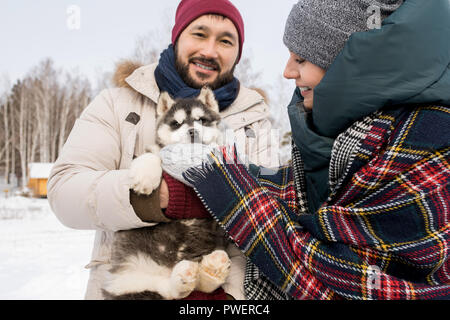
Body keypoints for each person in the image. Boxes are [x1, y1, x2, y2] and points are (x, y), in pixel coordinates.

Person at [173, 0, 450, 299]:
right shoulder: (341, 136)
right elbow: (294, 194)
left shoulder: (429, 137)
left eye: (301, 59)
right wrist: (204, 177)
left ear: (348, 64)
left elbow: (346, 280)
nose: (287, 72)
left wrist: (221, 183)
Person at [48, 0, 279, 300]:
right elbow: (65, 192)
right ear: (178, 36)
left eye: (225, 40)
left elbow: (265, 223)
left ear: (237, 53)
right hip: (133, 279)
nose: (210, 51)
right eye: (199, 33)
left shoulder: (255, 121)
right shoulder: (118, 104)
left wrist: (231, 296)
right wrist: (158, 197)